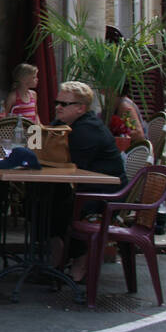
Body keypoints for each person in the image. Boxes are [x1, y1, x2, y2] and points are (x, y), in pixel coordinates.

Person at [53, 81, 130, 278]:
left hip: (104, 195)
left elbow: (71, 166)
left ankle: (76, 260)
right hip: (86, 188)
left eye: (64, 103)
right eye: (57, 102)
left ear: (81, 108)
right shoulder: (66, 124)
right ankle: (57, 259)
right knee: (41, 200)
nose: (58, 107)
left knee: (56, 206)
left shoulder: (86, 129)